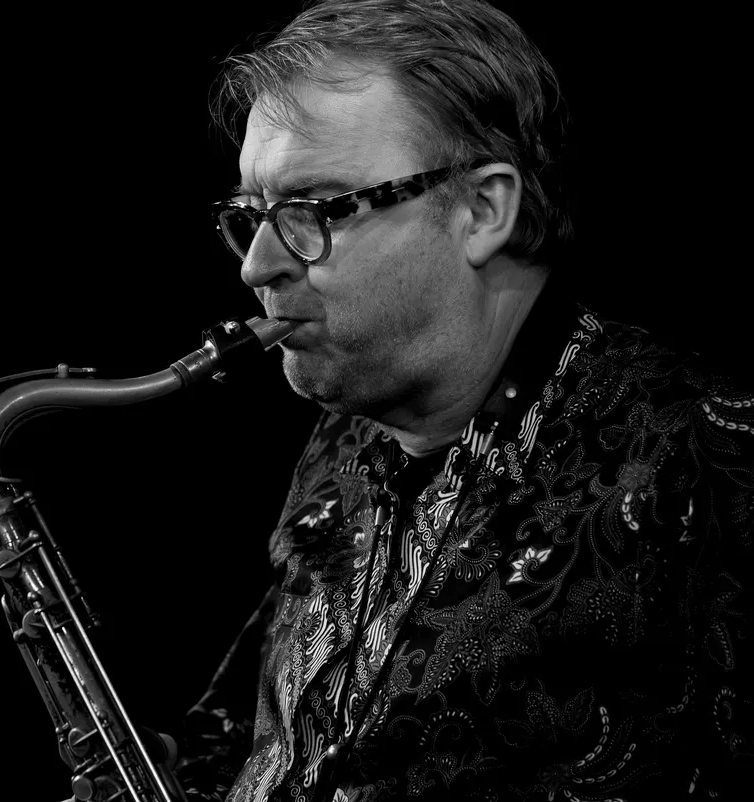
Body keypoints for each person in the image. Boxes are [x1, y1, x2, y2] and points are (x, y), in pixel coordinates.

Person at [152, 1, 752, 800]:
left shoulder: (702, 452)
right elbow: (266, 737)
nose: (255, 267)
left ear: (483, 209)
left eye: (312, 211)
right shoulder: (342, 440)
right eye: (251, 217)